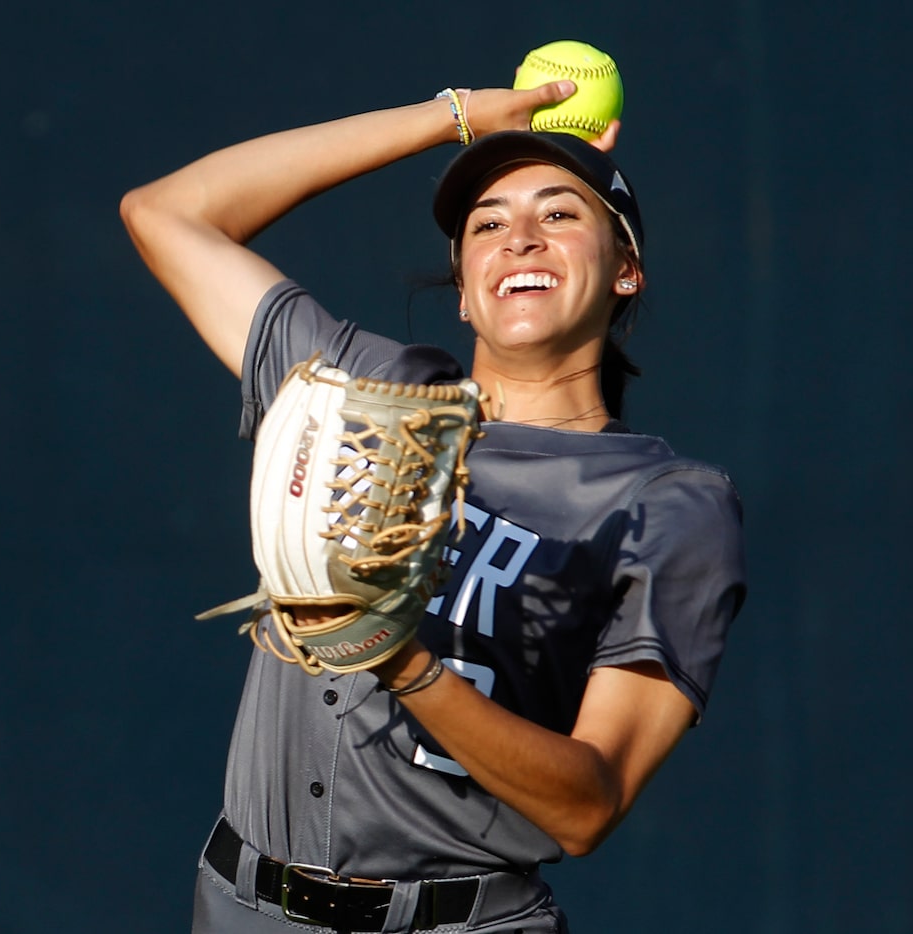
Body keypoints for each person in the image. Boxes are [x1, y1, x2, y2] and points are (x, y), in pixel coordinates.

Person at [121, 79, 746, 933]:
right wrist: (450, 120)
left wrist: (401, 661)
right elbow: (166, 212)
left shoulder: (665, 505)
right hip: (240, 908)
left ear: (627, 270)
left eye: (560, 215)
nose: (519, 237)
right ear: (462, 287)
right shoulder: (359, 391)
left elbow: (587, 805)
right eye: (486, 223)